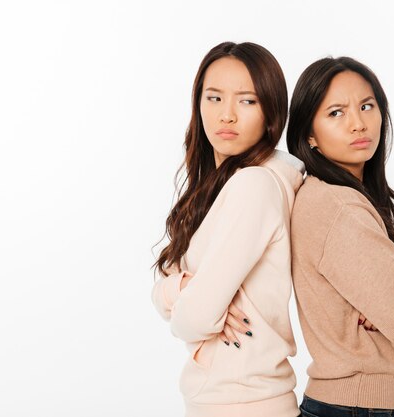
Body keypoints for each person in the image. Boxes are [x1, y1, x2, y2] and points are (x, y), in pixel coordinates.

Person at [287, 56, 394, 417]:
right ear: (309, 133)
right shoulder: (337, 206)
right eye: (336, 113)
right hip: (355, 405)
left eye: (366, 106)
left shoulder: (349, 198)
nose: (358, 123)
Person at [151, 41, 304, 417]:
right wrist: (185, 287)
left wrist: (188, 301)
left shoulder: (254, 185)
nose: (226, 116)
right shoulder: (219, 186)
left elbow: (192, 320)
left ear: (271, 111)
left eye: (247, 101)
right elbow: (165, 289)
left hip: (244, 404)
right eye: (214, 98)